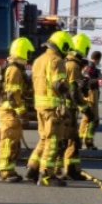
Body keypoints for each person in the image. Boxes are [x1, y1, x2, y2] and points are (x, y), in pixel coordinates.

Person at [25, 30, 72, 186]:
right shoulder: (57, 61)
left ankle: (32, 168)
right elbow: (58, 84)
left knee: (44, 139)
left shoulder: (38, 60)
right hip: (52, 108)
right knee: (52, 143)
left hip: (40, 106)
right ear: (63, 46)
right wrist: (69, 89)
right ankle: (47, 175)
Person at [0, 37, 34, 183]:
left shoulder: (16, 68)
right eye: (28, 53)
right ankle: (5, 171)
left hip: (12, 112)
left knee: (14, 143)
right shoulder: (14, 69)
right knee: (8, 142)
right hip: (9, 112)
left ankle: (10, 169)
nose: (29, 56)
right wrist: (22, 112)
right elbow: (12, 94)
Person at [60, 33, 91, 181]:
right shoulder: (73, 65)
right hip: (68, 109)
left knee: (70, 140)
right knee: (71, 140)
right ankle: (69, 170)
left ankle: (73, 169)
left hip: (65, 108)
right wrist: (85, 108)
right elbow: (73, 92)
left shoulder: (67, 62)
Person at [80, 48, 102, 149]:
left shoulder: (89, 67)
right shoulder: (91, 68)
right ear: (98, 59)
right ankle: (88, 140)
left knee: (86, 118)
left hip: (90, 94)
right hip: (91, 94)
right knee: (93, 118)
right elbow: (87, 80)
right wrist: (98, 79)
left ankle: (81, 139)